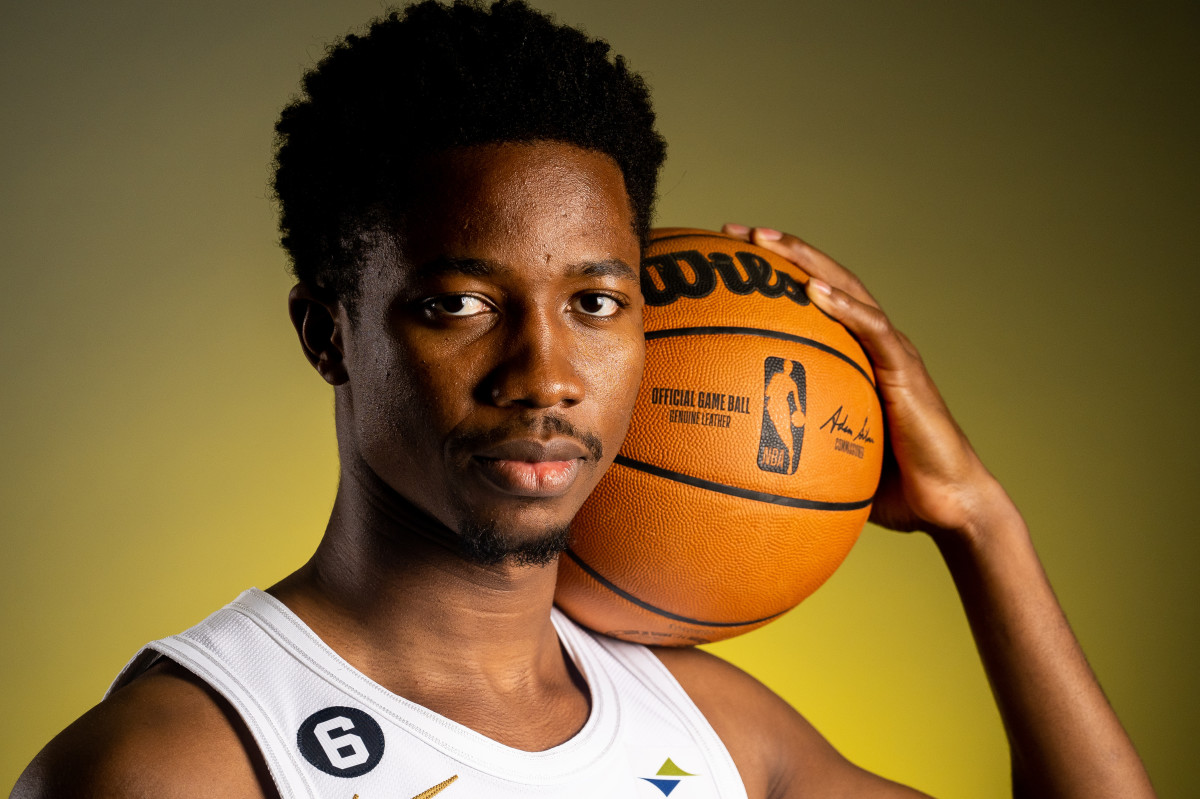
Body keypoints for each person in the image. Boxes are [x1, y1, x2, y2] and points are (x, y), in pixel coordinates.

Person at [13, 1, 1155, 797]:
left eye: (598, 305)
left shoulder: (704, 726)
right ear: (330, 333)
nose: (547, 374)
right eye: (459, 304)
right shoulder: (179, 763)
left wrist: (979, 521)